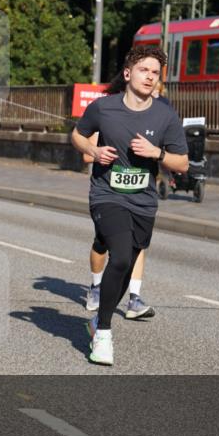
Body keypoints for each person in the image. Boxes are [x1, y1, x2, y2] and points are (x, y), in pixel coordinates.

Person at [71, 45, 187, 366]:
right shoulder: (103, 108)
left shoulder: (165, 115)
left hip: (144, 204)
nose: (150, 77)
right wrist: (94, 153)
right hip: (107, 196)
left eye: (155, 72)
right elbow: (78, 136)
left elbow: (183, 164)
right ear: (127, 74)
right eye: (143, 70)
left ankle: (97, 321)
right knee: (120, 257)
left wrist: (157, 154)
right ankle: (104, 335)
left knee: (122, 271)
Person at [84, 74, 175, 319]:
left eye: (156, 94)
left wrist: (162, 160)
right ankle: (95, 287)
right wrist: (97, 152)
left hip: (139, 198)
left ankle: (134, 297)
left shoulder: (158, 116)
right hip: (108, 194)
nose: (153, 98)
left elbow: (170, 154)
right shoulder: (108, 112)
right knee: (101, 245)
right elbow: (85, 153)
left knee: (136, 246)